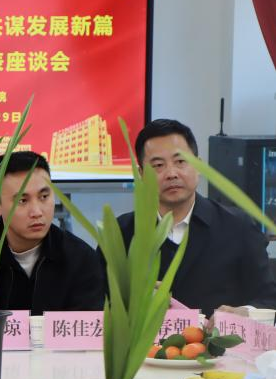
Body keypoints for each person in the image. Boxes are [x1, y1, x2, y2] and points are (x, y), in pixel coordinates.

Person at [118, 118, 276, 317]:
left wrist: (245, 313)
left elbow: (268, 299)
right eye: (158, 165)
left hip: (219, 338)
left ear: (198, 166)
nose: (171, 173)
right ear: (141, 174)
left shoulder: (238, 227)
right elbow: (101, 305)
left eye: (180, 161)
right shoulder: (121, 233)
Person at [0, 152, 105, 336]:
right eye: (22, 201)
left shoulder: (81, 260)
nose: (37, 212)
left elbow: (86, 339)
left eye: (44, 196)